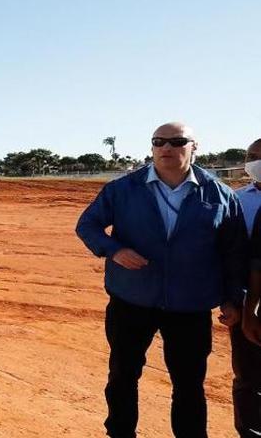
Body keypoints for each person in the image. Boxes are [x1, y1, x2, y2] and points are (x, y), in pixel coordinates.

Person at [76, 122, 248, 438]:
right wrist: (114, 250)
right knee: (123, 375)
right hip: (132, 299)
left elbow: (233, 252)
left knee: (189, 383)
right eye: (159, 141)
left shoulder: (221, 196)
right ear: (153, 147)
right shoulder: (123, 189)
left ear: (194, 147)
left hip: (190, 305)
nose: (167, 148)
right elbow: (87, 226)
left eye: (177, 141)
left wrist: (232, 298)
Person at [232, 138, 261, 436]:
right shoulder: (236, 200)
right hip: (247, 302)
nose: (256, 162)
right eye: (252, 156)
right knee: (248, 377)